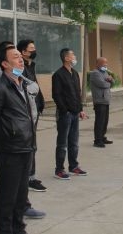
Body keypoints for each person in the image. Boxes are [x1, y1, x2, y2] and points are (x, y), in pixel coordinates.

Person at [0, 45, 36, 234]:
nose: (20, 59)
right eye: (15, 57)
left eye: (20, 56)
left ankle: (19, 228)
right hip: (9, 150)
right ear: (5, 64)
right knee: (8, 196)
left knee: (21, 195)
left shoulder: (23, 85)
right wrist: (4, 138)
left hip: (26, 146)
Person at [52, 48, 88, 180]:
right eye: (73, 55)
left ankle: (73, 166)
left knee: (74, 142)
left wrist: (80, 109)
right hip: (65, 114)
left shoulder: (75, 73)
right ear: (66, 58)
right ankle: (59, 169)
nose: (75, 57)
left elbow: (77, 93)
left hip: (75, 113)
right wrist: (64, 110)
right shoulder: (58, 75)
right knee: (62, 143)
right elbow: (56, 95)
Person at [17, 39, 47, 193]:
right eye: (31, 49)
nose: (34, 51)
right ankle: (28, 178)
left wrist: (41, 102)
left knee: (32, 145)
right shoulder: (20, 68)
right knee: (28, 146)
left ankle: (31, 176)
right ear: (23, 52)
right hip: (26, 112)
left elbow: (35, 88)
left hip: (34, 110)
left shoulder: (30, 66)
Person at [89, 57, 114, 148]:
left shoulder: (105, 72)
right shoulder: (95, 73)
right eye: (103, 63)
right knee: (99, 121)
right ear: (98, 64)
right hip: (99, 101)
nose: (105, 65)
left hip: (106, 100)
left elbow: (113, 82)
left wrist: (109, 80)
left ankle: (102, 137)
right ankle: (97, 140)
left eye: (106, 63)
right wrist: (108, 81)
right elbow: (102, 84)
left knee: (105, 121)